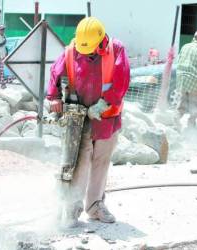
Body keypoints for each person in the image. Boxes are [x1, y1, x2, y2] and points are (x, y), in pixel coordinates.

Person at [46, 17, 130, 224]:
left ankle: (95, 206)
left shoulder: (116, 49)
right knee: (79, 162)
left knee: (101, 161)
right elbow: (55, 74)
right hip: (80, 117)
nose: (86, 52)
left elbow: (122, 81)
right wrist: (54, 97)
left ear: (101, 41)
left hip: (107, 116)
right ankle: (72, 208)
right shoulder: (71, 50)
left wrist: (103, 104)